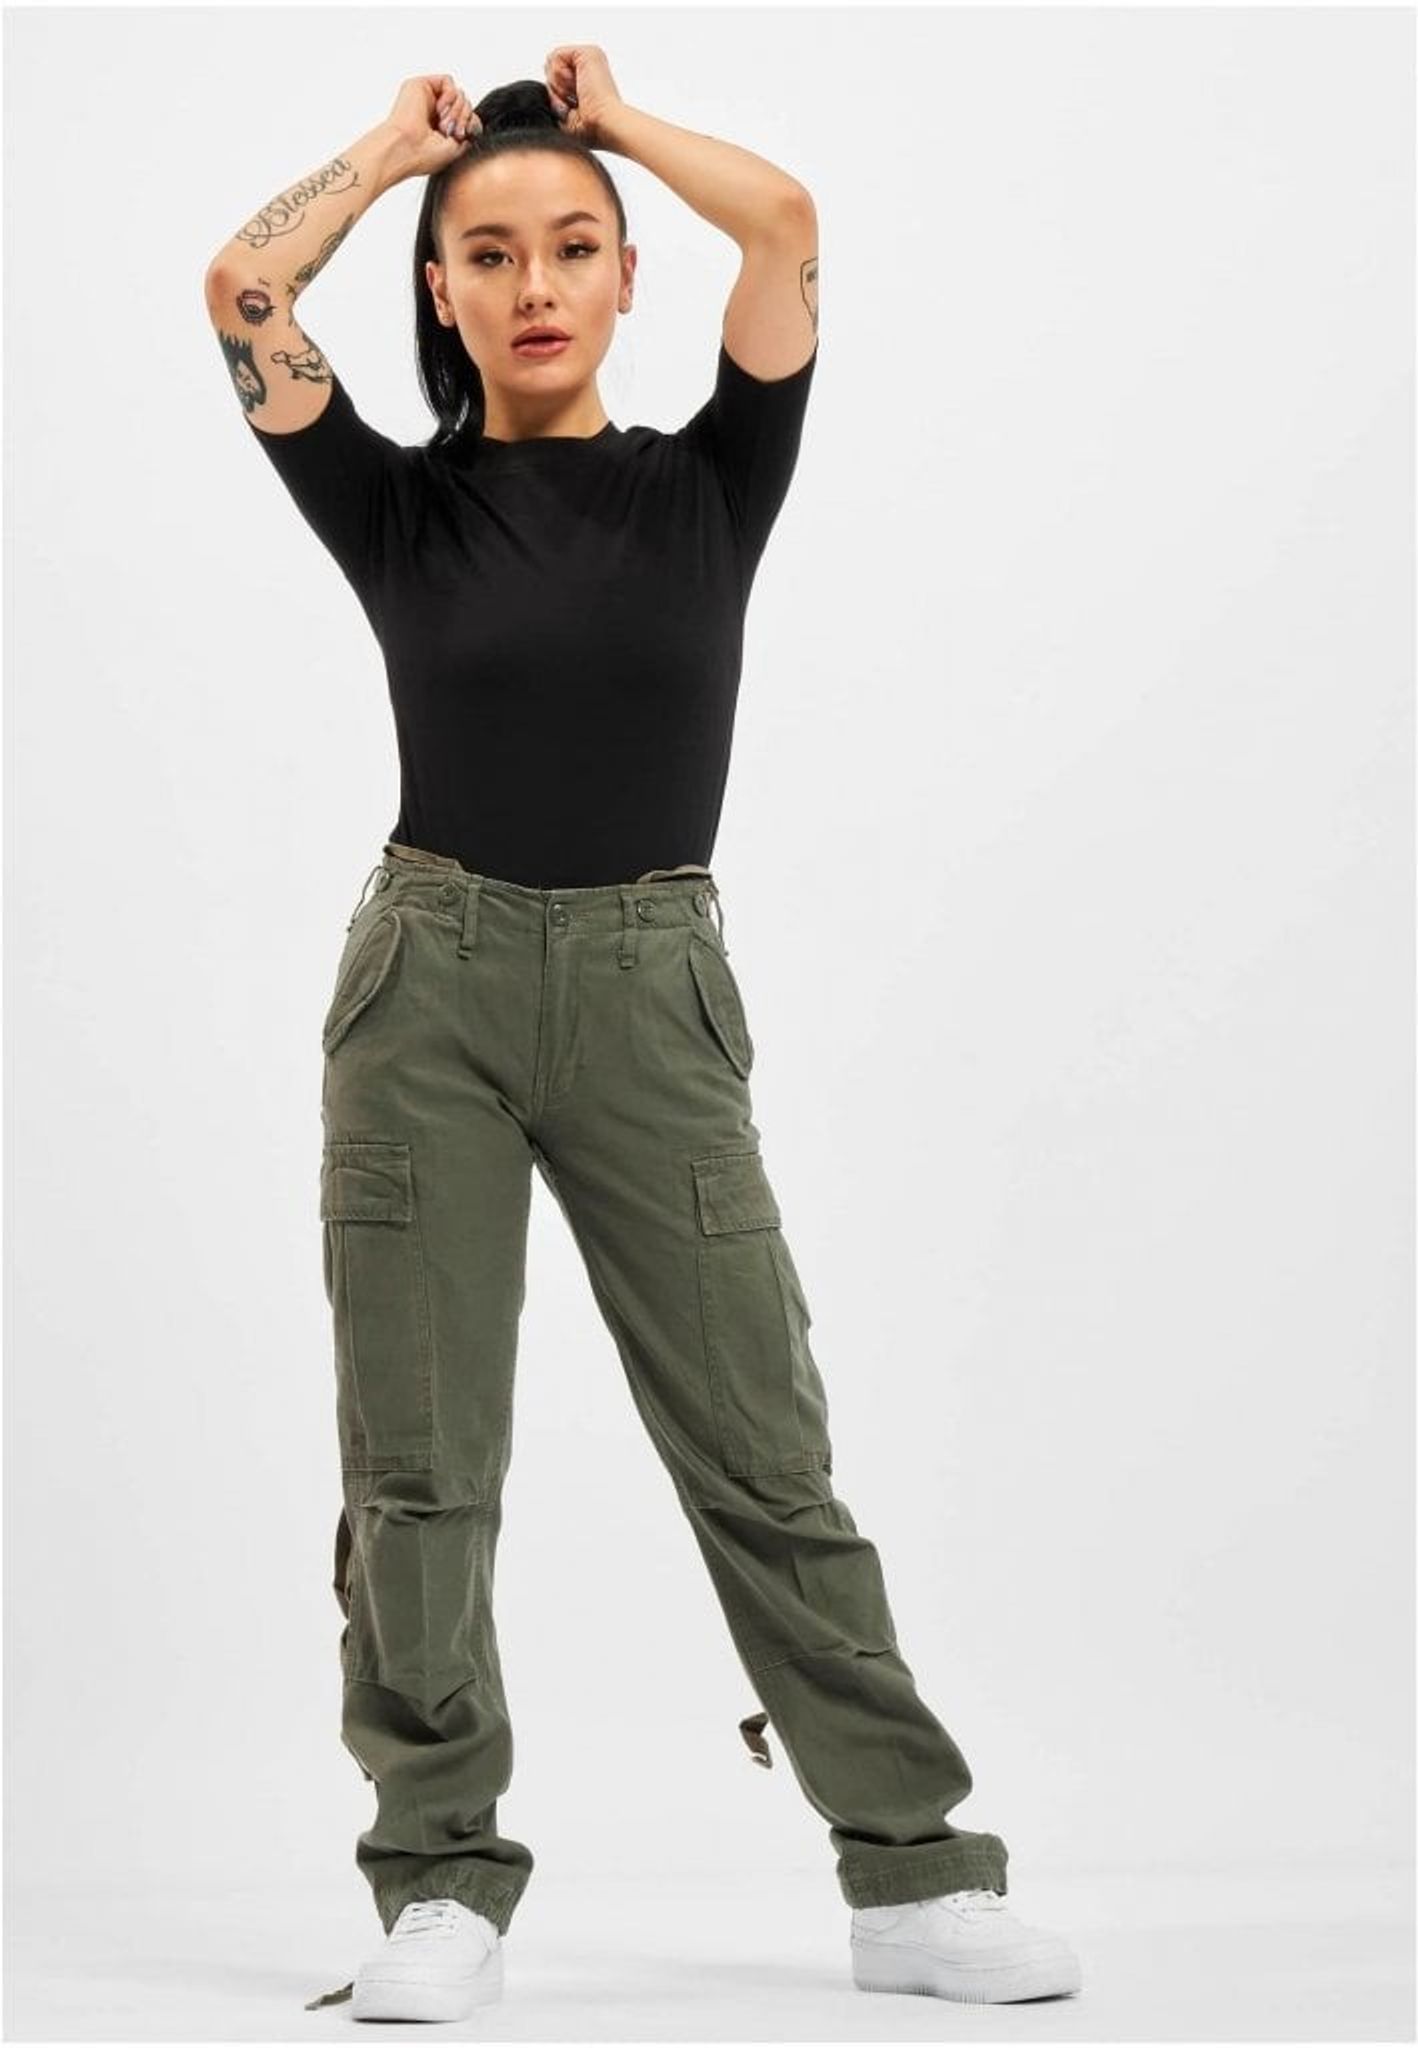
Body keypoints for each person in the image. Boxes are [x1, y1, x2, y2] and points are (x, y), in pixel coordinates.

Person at [204, 49, 1082, 2023]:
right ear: (439, 290)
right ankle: (437, 1879)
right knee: (419, 1466)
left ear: (622, 275)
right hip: (426, 993)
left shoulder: (711, 481)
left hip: (651, 995)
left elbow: (784, 222)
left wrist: (607, 130)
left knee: (763, 1451)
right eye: (488, 255)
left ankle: (911, 1873)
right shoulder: (395, 509)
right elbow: (245, 291)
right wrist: (397, 154)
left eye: (572, 248)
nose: (533, 283)